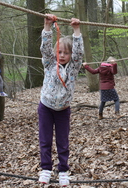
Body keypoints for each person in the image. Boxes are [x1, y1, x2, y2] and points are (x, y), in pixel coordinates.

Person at [37, 14, 84, 187]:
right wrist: (47, 27)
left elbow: (79, 52)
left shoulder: (73, 67)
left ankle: (63, 170)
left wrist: (76, 30)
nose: (62, 55)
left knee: (63, 141)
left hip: (63, 109)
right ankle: (46, 169)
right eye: (59, 52)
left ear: (71, 55)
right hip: (46, 107)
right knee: (45, 139)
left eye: (66, 52)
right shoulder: (49, 63)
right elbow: (45, 49)